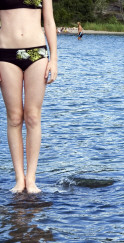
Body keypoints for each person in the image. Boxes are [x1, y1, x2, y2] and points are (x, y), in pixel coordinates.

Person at [0, 0, 58, 193]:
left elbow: (49, 22)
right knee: (14, 118)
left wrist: (54, 60)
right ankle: (19, 179)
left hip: (37, 53)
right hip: (5, 54)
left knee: (32, 116)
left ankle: (31, 179)